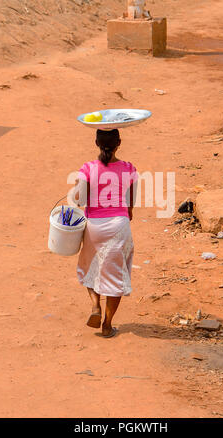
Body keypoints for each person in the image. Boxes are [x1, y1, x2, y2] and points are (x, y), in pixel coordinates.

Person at [73, 129, 138, 338]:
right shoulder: (129, 169)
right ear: (119, 143)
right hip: (119, 225)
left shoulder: (87, 168)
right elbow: (130, 206)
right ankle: (108, 325)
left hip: (94, 226)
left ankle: (95, 307)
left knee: (90, 267)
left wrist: (77, 187)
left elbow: (79, 200)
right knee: (115, 275)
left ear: (96, 143)